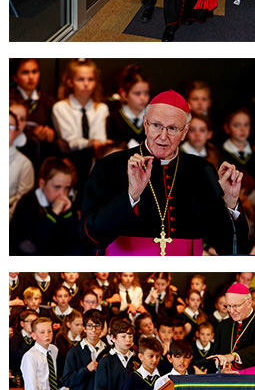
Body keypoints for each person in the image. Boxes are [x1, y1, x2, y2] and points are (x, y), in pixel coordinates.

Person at [81, 89, 248, 257]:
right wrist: (131, 196)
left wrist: (231, 203)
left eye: (173, 128)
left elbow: (229, 248)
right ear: (145, 124)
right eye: (156, 126)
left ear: (185, 131)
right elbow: (90, 235)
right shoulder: (110, 166)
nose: (163, 136)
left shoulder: (201, 170)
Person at [52, 59, 109, 202]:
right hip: (74, 160)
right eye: (80, 79)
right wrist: (90, 143)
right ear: (70, 82)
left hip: (95, 160)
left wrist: (96, 144)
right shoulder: (60, 107)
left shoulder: (101, 108)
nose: (86, 84)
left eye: (90, 79)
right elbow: (70, 141)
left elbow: (101, 139)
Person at [10, 157, 80, 255]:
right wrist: (54, 213)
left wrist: (68, 213)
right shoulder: (28, 202)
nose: (62, 194)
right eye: (57, 187)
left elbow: (74, 237)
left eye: (66, 188)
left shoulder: (67, 202)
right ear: (42, 184)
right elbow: (35, 238)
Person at [211, 281, 255, 372]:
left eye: (236, 306)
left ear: (249, 302)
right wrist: (221, 369)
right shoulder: (223, 326)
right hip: (228, 380)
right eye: (228, 306)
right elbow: (215, 357)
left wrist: (233, 356)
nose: (232, 311)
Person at [107, 65, 150, 148]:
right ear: (123, 94)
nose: (143, 98)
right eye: (137, 93)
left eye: (146, 93)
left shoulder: (154, 118)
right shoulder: (113, 120)